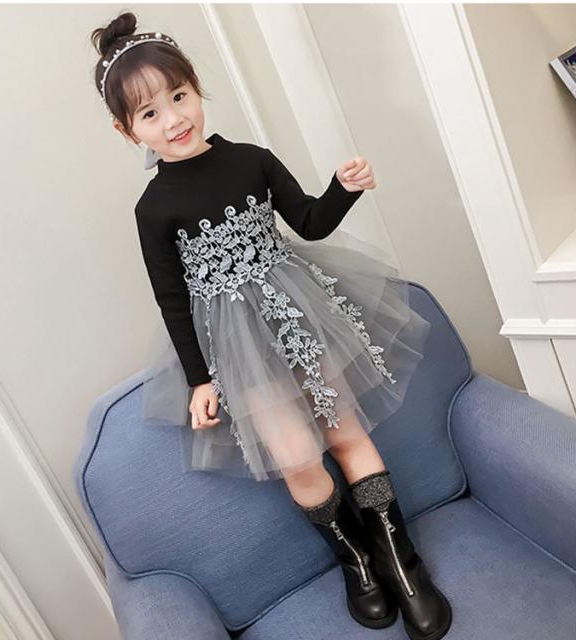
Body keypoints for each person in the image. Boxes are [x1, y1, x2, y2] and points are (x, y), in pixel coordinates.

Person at [90, 12, 452, 640]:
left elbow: (309, 222)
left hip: (301, 312)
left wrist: (342, 188)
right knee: (296, 457)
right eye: (150, 113)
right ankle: (357, 560)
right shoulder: (153, 208)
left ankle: (403, 562)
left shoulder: (251, 160)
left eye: (179, 97)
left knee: (345, 433)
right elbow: (171, 298)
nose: (173, 119)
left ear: (196, 88)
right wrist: (200, 380)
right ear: (127, 131)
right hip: (238, 345)